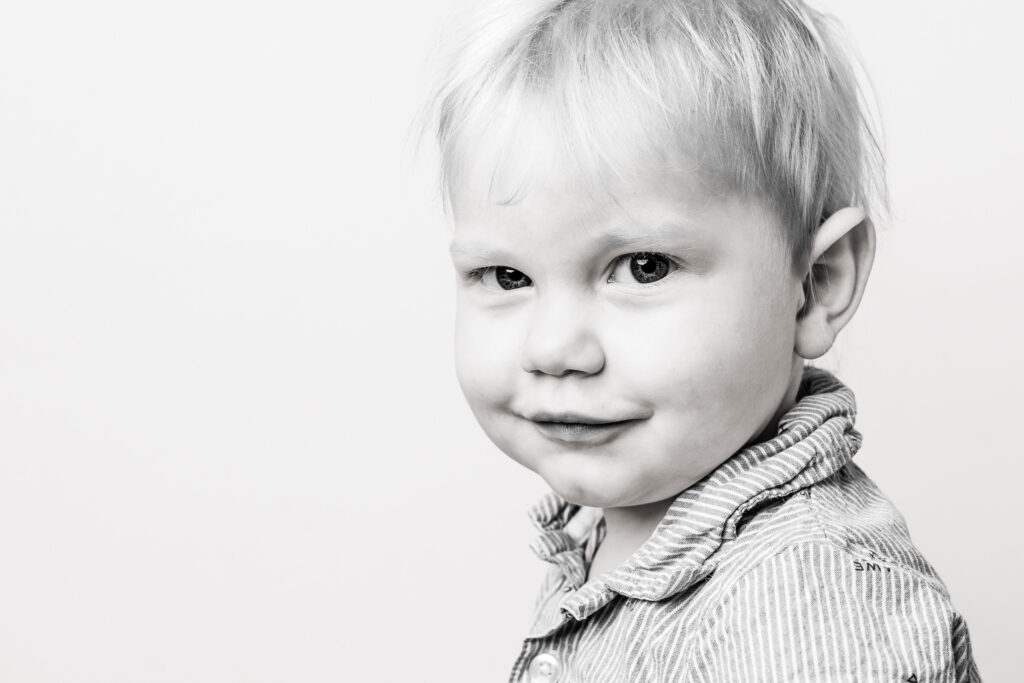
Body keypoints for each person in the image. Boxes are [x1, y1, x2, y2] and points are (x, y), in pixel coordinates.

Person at [422, 0, 981, 680]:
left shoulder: (802, 606)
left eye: (644, 267)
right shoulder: (624, 522)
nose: (553, 349)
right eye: (507, 276)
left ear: (816, 283)